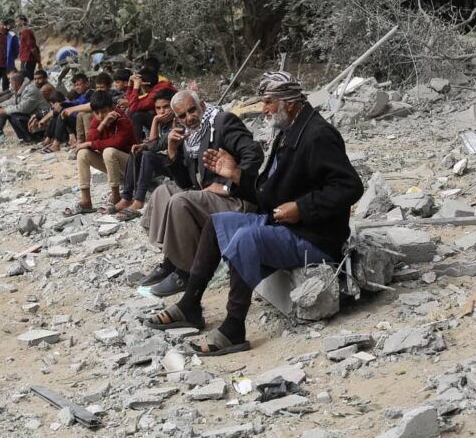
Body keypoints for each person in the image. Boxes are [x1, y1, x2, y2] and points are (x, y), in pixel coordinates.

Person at [145, 72, 364, 356]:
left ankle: (234, 327)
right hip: (285, 223)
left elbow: (350, 186)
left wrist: (302, 208)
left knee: (248, 239)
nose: (264, 110)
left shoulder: (318, 135)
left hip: (315, 236)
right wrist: (235, 175)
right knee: (216, 223)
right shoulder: (288, 132)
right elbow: (269, 193)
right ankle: (190, 304)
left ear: (290, 102)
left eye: (269, 103)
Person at [137, 90, 264, 297]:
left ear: (202, 106)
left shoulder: (222, 122)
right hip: (207, 195)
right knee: (162, 192)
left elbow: (253, 153)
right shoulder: (190, 136)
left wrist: (226, 185)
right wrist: (172, 152)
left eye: (192, 110)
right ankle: (171, 260)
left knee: (180, 201)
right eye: (182, 116)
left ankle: (187, 271)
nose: (189, 118)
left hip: (235, 198)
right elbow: (186, 183)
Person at [65, 90, 136, 216]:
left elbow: (116, 143)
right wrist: (102, 124)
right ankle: (86, 200)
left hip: (130, 166)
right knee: (83, 153)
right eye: (96, 113)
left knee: (109, 151)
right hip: (114, 167)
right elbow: (90, 139)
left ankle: (115, 196)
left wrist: (89, 144)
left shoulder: (122, 119)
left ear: (111, 108)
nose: (100, 115)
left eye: (104, 111)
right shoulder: (98, 120)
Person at [114, 88, 175, 221]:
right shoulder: (164, 122)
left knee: (147, 155)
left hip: (179, 165)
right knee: (137, 151)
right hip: (170, 160)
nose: (162, 111)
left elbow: (154, 146)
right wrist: (143, 145)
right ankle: (126, 197)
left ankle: (139, 200)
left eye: (166, 107)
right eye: (158, 108)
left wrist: (155, 121)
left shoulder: (178, 121)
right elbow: (155, 144)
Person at [0, 71, 41, 142]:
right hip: (33, 115)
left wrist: (3, 110)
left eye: (11, 83)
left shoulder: (30, 90)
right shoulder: (21, 87)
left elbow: (23, 108)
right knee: (7, 111)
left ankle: (33, 137)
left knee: (13, 115)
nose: (10, 85)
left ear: (15, 84)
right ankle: (24, 138)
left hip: (39, 118)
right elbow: (12, 101)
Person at [127, 62, 176, 142]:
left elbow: (133, 107)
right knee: (131, 112)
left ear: (145, 84)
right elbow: (131, 104)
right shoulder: (156, 88)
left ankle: (136, 143)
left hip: (167, 121)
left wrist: (135, 88)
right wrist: (130, 86)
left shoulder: (157, 93)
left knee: (137, 116)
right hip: (159, 118)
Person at [48, 73, 92, 151]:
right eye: (75, 85)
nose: (76, 88)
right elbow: (74, 103)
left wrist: (67, 110)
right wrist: (62, 103)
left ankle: (56, 143)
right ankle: (55, 141)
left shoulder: (90, 94)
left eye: (78, 85)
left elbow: (83, 106)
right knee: (62, 113)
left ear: (87, 83)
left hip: (86, 119)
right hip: (79, 119)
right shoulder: (82, 95)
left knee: (63, 114)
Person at [7, 70, 51, 143]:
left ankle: (34, 137)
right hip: (39, 114)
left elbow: (49, 109)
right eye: (35, 79)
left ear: (46, 78)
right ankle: (25, 138)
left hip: (46, 117)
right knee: (10, 113)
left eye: (39, 79)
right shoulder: (30, 88)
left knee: (16, 116)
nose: (37, 81)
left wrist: (36, 117)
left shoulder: (45, 89)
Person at [16, 15, 39, 81]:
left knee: (27, 78)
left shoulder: (26, 31)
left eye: (18, 21)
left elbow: (32, 47)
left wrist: (39, 61)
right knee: (26, 77)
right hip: (25, 58)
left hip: (28, 58)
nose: (16, 23)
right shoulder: (22, 32)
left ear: (22, 21)